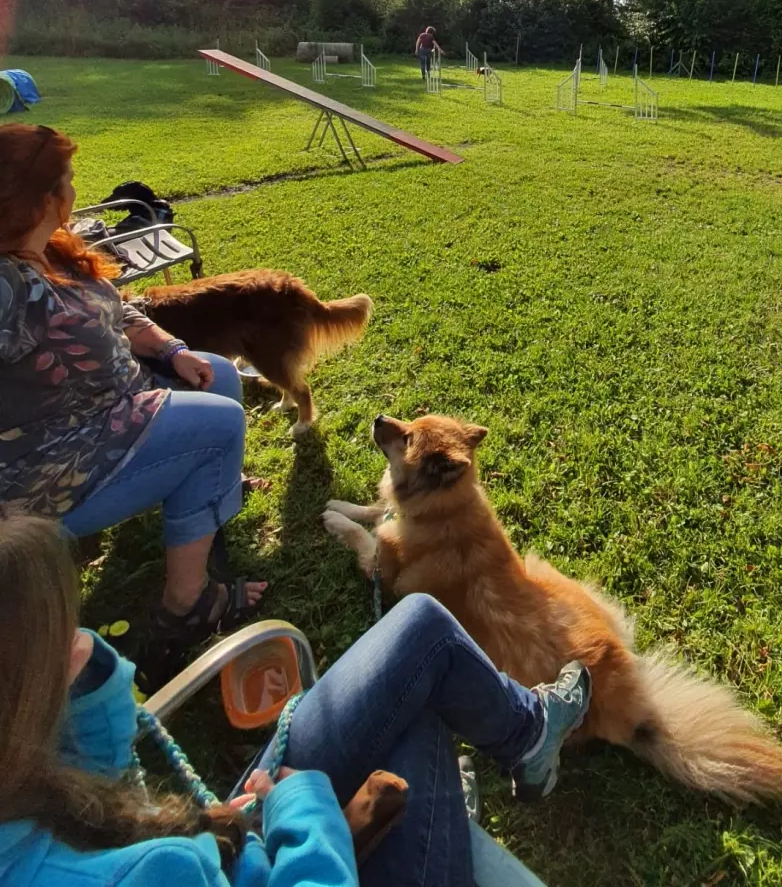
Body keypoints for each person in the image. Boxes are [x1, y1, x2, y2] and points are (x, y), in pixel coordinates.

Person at [0, 516, 591, 887]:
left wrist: (85, 688)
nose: (80, 636)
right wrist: (300, 811)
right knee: (422, 696)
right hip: (259, 853)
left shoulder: (22, 783)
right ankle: (487, 780)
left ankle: (523, 737)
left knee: (421, 635)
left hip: (226, 836)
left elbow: (96, 792)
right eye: (62, 632)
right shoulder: (153, 874)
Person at [0, 124, 265, 647]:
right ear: (42, 199)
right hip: (58, 460)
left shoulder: (52, 250)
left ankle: (211, 498)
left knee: (221, 375)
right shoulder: (8, 287)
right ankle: (187, 607)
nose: (76, 190)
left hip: (118, 401)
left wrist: (173, 351)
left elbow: (120, 313)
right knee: (220, 423)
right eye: (69, 180)